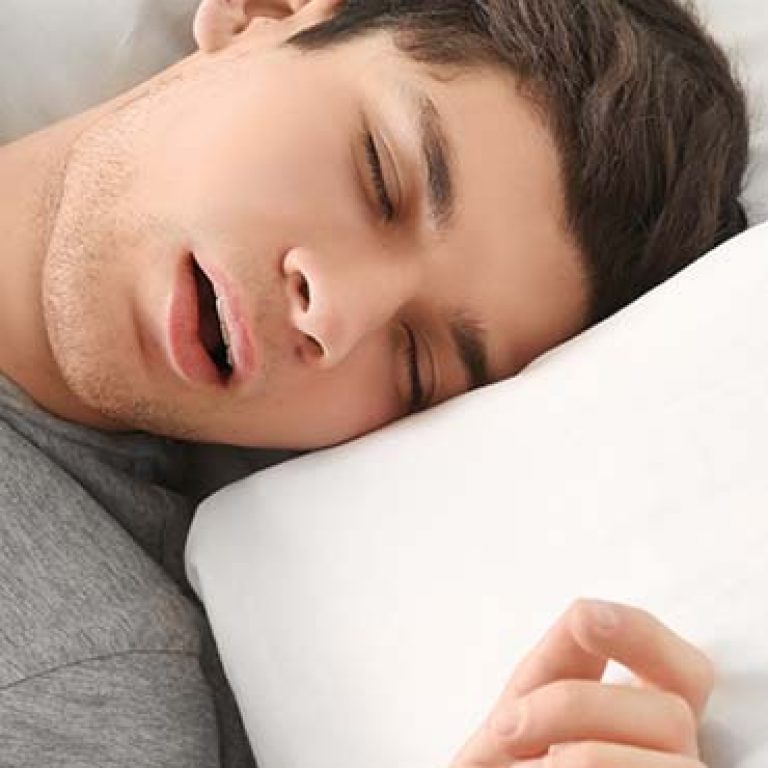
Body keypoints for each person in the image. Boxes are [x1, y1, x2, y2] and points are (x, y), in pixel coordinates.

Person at [0, 0, 747, 765]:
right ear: (268, 13)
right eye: (379, 179)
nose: (337, 317)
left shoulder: (83, 683)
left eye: (418, 364)